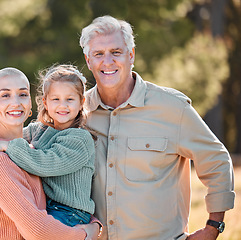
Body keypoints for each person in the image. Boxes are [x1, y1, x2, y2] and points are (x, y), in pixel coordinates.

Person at [79, 15, 235, 239]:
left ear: (131, 55)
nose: (107, 62)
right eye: (98, 54)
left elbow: (217, 160)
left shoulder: (172, 108)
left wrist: (213, 227)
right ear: (88, 60)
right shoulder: (78, 114)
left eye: (116, 52)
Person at [0, 67, 100, 239]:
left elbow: (44, 160)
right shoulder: (2, 157)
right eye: (5, 95)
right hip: (56, 216)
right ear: (45, 103)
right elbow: (40, 231)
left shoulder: (78, 138)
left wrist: (92, 226)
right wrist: (87, 234)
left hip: (69, 213)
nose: (16, 102)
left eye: (23, 94)